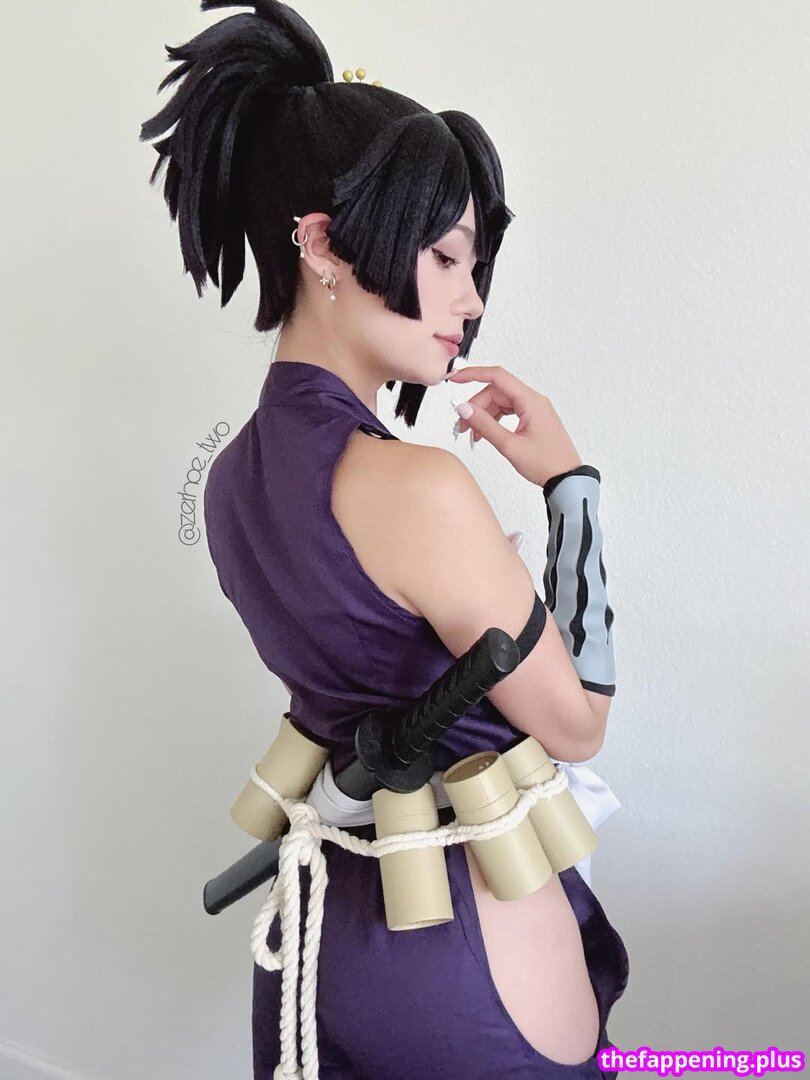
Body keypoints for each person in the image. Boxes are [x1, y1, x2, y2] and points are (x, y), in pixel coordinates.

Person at [140, 2, 629, 1077]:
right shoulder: (417, 487)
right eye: (446, 256)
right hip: (468, 930)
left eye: (475, 264)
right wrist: (571, 486)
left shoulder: (227, 485)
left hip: (322, 928)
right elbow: (580, 724)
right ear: (320, 242)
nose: (470, 297)